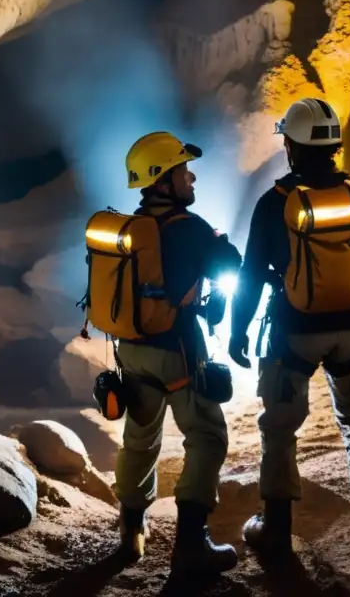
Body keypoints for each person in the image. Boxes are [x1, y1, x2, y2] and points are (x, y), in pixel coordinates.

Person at [227, 98, 350, 553]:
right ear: (332, 146)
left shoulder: (275, 204)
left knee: (280, 428)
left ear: (291, 146)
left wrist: (237, 332)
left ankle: (277, 529)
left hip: (294, 333)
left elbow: (251, 276)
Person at [113, 131, 243, 574]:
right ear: (163, 178)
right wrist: (219, 241)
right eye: (184, 171)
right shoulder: (188, 227)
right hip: (177, 350)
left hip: (131, 352)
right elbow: (231, 261)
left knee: (140, 436)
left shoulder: (129, 228)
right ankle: (191, 544)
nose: (191, 179)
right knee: (206, 436)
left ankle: (131, 531)